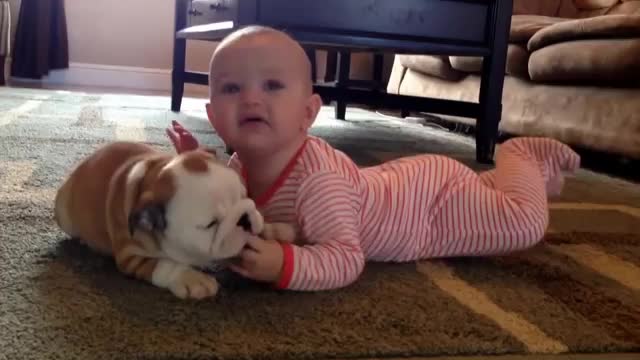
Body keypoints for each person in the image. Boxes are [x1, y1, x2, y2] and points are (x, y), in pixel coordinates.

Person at [166, 25, 581, 292]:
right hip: (404, 183)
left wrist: (285, 264)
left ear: (308, 114)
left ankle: (520, 155)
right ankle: (499, 181)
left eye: (272, 85)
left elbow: (347, 258)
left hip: (432, 207)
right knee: (489, 197)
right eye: (232, 88)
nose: (252, 97)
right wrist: (195, 164)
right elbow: (223, 193)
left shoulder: (318, 182)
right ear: (213, 116)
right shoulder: (240, 166)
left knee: (523, 223)